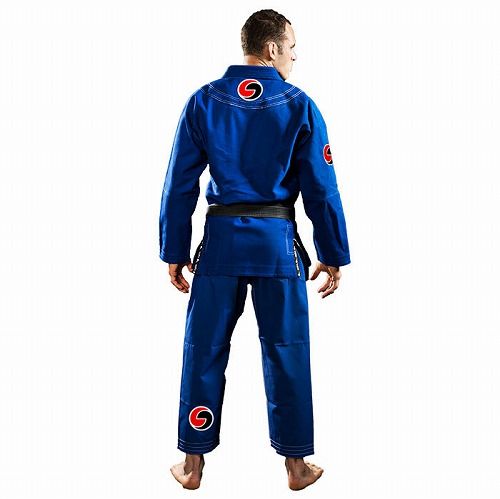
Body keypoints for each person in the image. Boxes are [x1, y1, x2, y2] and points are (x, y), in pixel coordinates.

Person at [159, 9, 351, 491]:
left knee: (203, 349)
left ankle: (192, 463)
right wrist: (332, 251)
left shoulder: (204, 101)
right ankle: (297, 466)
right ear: (271, 48)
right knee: (287, 350)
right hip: (276, 244)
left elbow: (178, 183)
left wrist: (174, 249)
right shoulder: (299, 105)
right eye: (292, 49)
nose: (294, 58)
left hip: (220, 244)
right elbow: (322, 188)